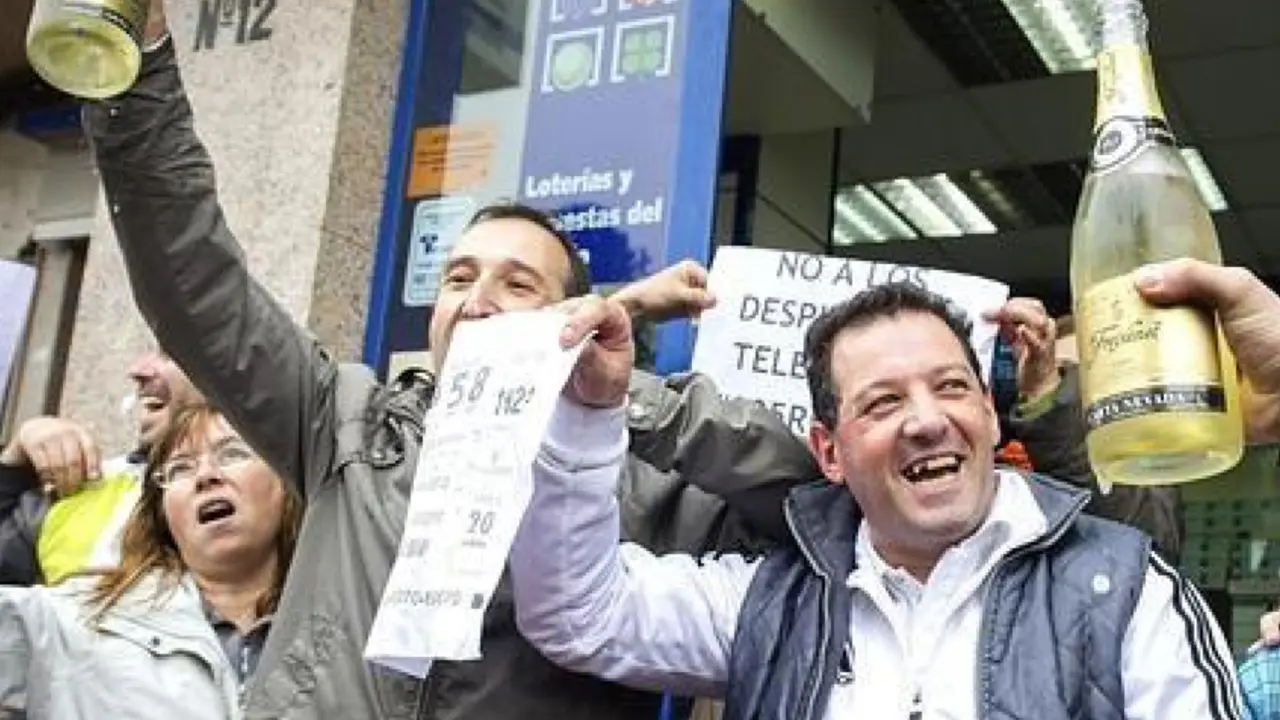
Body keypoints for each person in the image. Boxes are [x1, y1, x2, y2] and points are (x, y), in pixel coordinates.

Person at [86, 3, 816, 718]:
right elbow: (195, 282)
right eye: (459, 279)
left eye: (518, 284)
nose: (476, 300)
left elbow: (810, 507)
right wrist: (137, 66)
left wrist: (623, 400)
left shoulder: (651, 480)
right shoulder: (345, 420)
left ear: (576, 317)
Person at [510, 280, 1245, 719]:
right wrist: (592, 410)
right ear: (829, 451)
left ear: (991, 415)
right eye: (884, 402)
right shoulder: (769, 601)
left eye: (952, 387)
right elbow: (578, 614)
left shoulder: (1129, 593)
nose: (927, 421)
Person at [0, 403, 301, 719]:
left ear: (287, 485)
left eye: (232, 455)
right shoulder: (76, 620)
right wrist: (12, 466)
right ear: (164, 515)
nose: (206, 476)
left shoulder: (346, 625)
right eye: (180, 468)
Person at [985, 299, 1183, 561]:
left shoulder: (1145, 468)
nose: (1061, 385)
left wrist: (1046, 393)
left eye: (1073, 382)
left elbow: (1141, 542)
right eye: (1062, 375)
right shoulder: (983, 455)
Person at [0, 350, 201, 585]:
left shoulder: (244, 493)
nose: (137, 371)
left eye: (169, 353)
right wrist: (13, 468)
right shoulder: (86, 483)